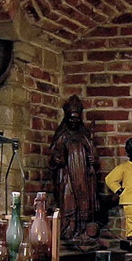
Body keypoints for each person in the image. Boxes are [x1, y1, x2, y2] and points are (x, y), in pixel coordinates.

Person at [49, 95, 99, 243]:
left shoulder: (84, 135)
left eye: (77, 118)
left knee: (84, 203)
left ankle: (82, 231)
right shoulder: (62, 136)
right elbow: (52, 156)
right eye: (71, 118)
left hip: (83, 176)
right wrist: (56, 160)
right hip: (67, 177)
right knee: (68, 202)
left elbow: (93, 155)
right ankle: (68, 231)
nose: (74, 121)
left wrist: (92, 160)